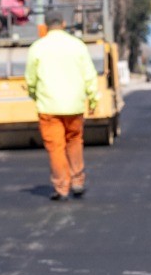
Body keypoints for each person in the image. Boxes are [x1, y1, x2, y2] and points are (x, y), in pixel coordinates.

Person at [24, 12, 99, 200]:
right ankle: (77, 181)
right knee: (74, 141)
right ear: (64, 24)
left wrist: (33, 94)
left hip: (48, 107)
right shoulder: (78, 45)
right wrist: (93, 98)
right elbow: (89, 74)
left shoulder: (37, 47)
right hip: (74, 106)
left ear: (45, 26)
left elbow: (30, 79)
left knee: (56, 147)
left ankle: (61, 187)